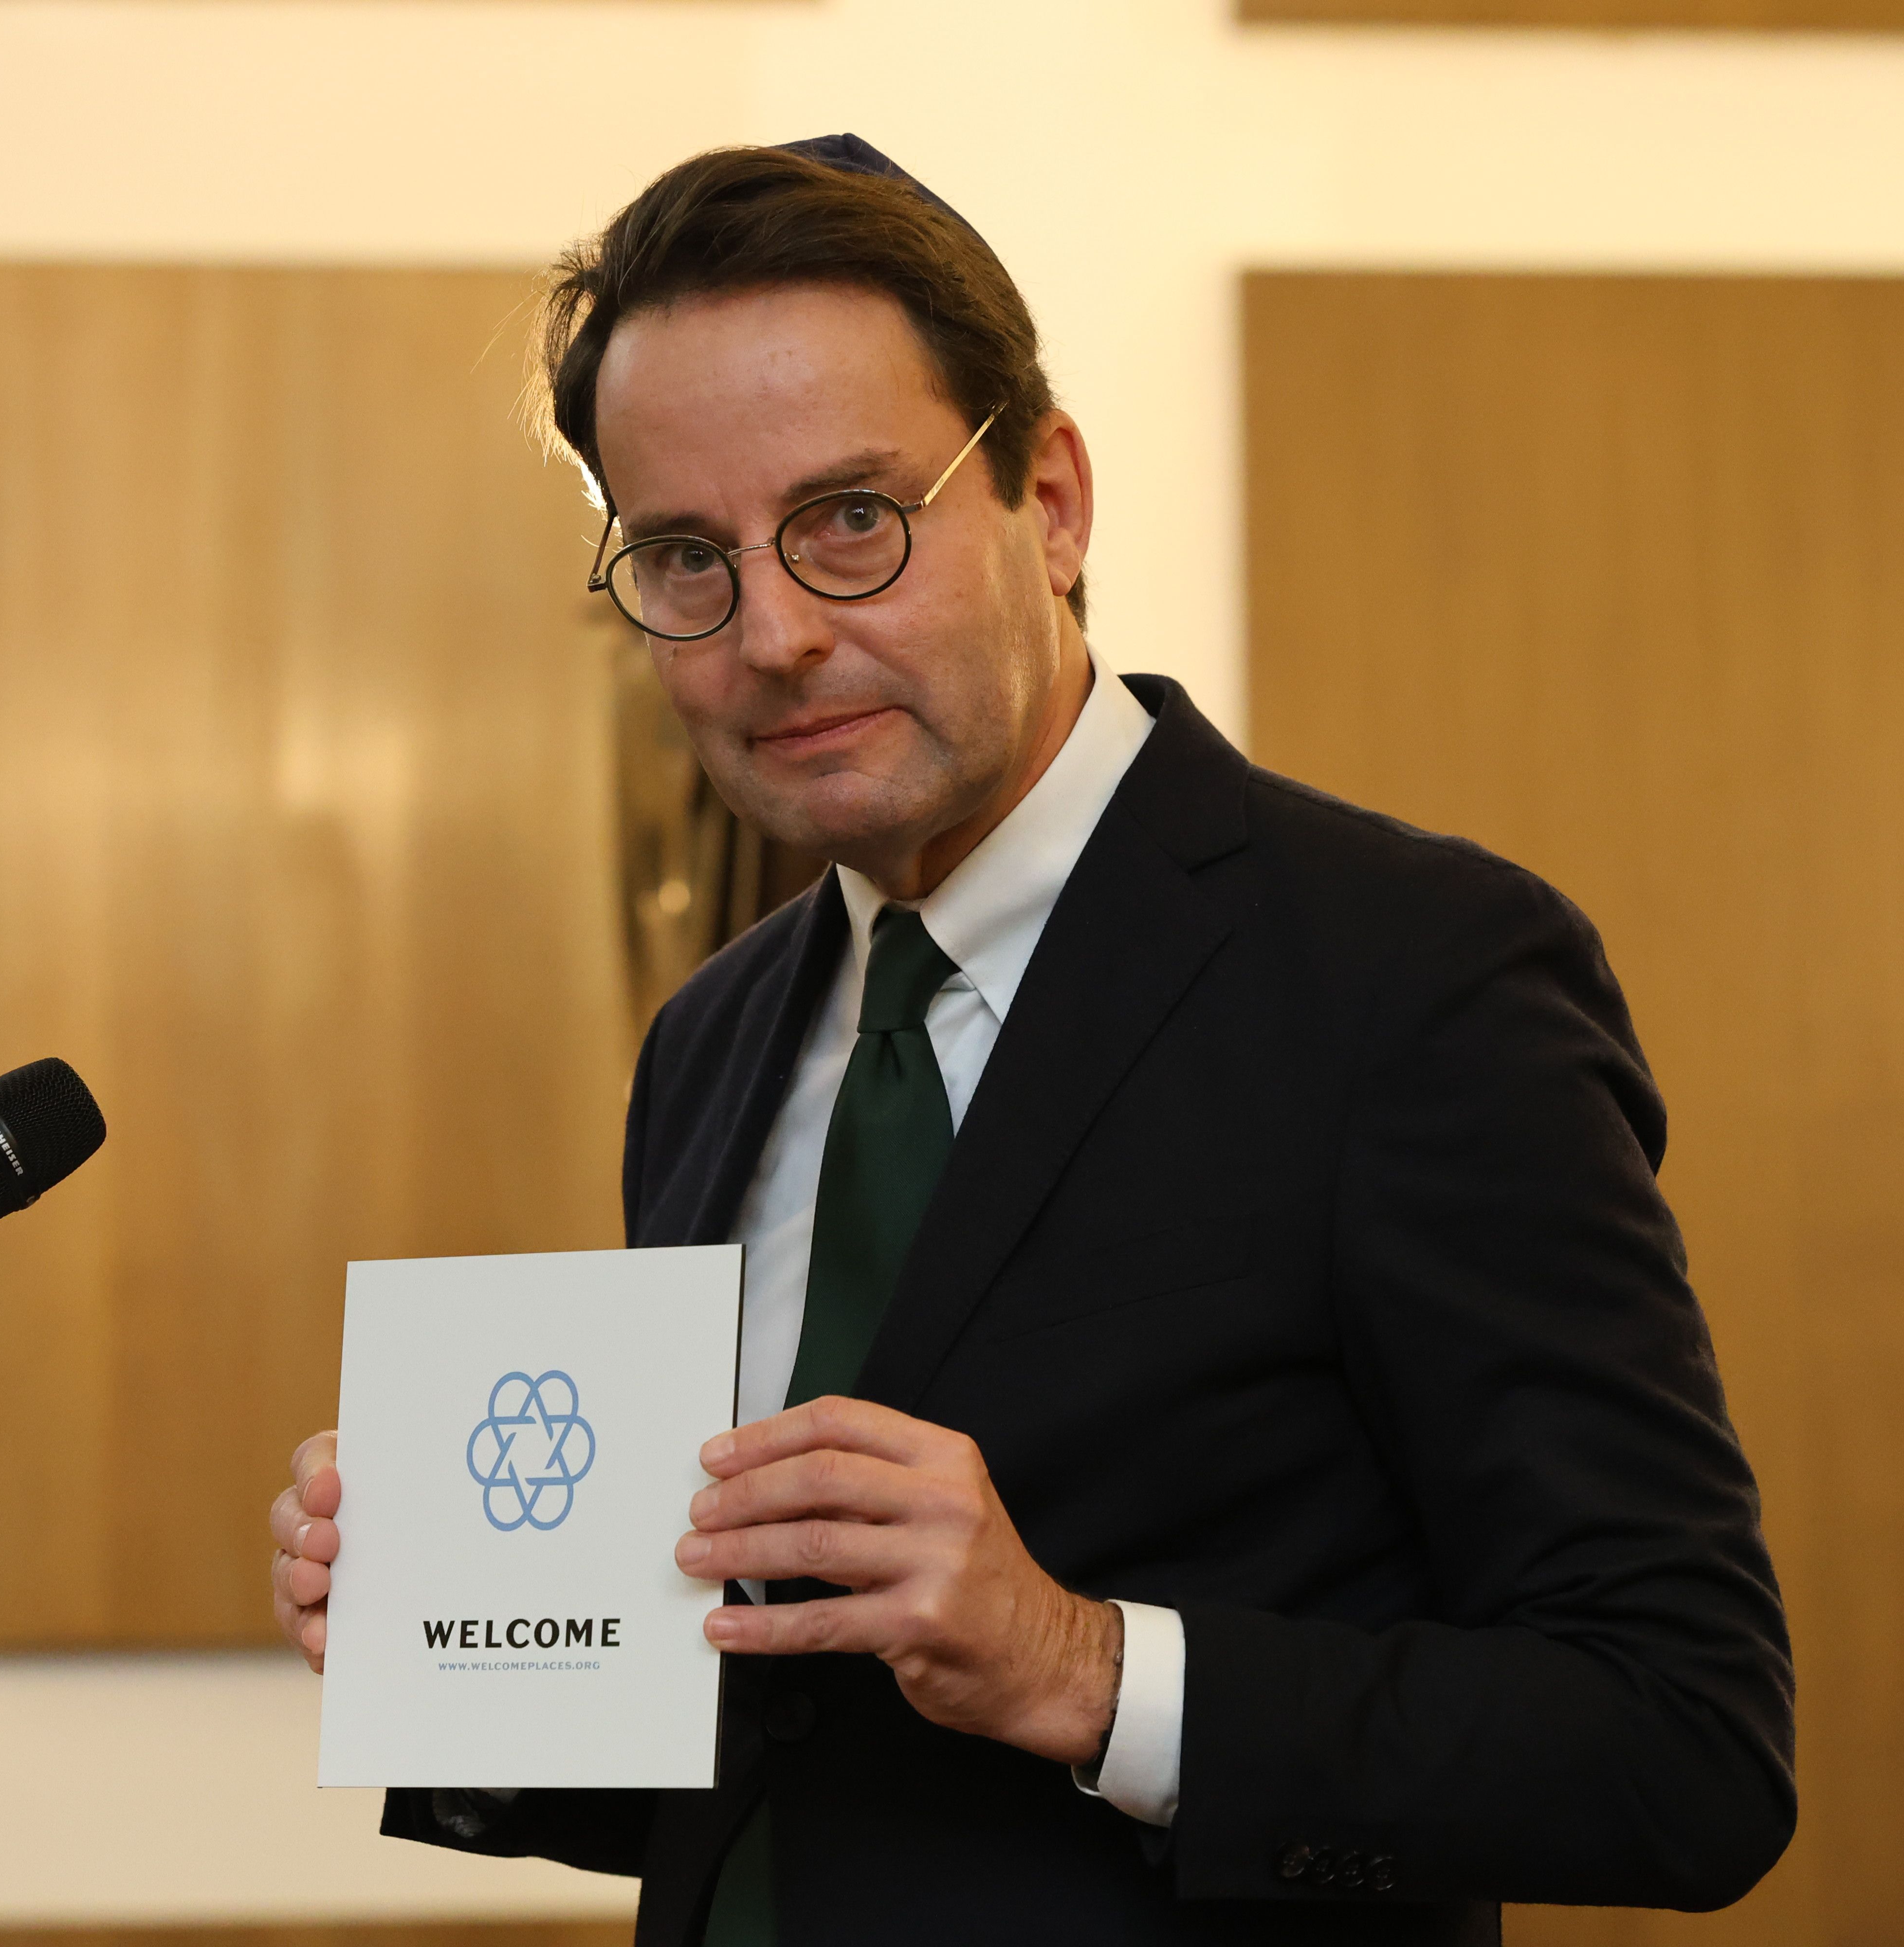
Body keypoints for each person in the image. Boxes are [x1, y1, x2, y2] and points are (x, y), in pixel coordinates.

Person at [268, 136, 1793, 1947]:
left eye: (853, 520)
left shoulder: (1415, 978)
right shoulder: (711, 1037)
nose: (772, 637)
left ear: (1050, 504)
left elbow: (1681, 1746)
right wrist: (466, 1630)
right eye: (688, 557)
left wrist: (1082, 1668)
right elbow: (794, 1757)